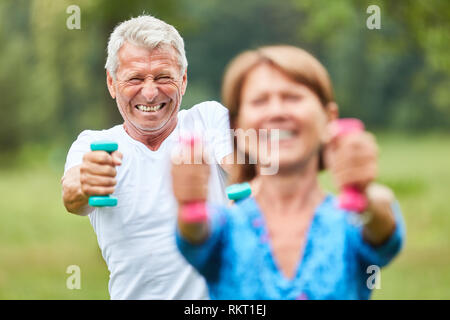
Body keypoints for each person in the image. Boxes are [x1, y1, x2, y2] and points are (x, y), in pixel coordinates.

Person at [173, 45, 406, 299]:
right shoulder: (225, 228)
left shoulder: (349, 222)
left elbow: (383, 231)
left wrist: (364, 195)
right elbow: (194, 234)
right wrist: (190, 205)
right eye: (260, 101)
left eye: (292, 97)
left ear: (329, 119)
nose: (276, 112)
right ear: (237, 126)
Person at [61, 15, 233, 299]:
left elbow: (246, 168)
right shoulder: (93, 144)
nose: (151, 93)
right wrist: (86, 183)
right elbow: (72, 195)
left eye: (164, 77)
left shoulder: (209, 120)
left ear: (184, 80)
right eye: (136, 78)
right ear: (112, 83)